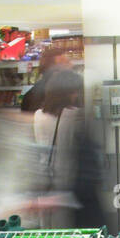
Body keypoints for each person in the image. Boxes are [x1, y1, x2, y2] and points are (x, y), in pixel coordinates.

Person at [32, 68, 105, 229]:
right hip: (66, 189)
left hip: (46, 187)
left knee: (50, 236)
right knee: (68, 237)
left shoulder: (38, 116)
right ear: (70, 92)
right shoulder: (75, 116)